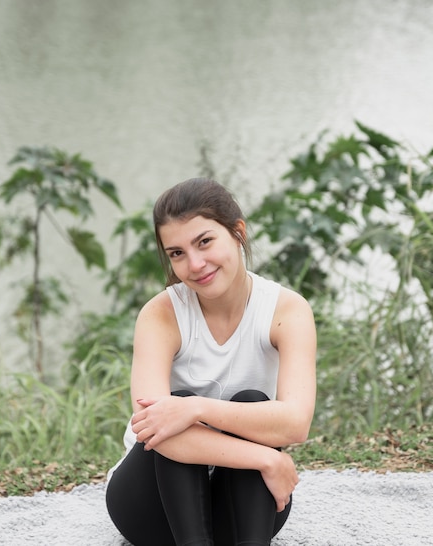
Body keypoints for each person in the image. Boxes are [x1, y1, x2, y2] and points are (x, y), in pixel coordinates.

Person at [106, 177, 317, 546]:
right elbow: (154, 430)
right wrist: (266, 459)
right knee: (174, 410)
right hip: (150, 505)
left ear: (238, 232)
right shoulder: (161, 315)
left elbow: (295, 424)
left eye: (204, 242)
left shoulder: (287, 310)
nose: (195, 264)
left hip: (243, 508)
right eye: (177, 253)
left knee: (248, 401)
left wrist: (196, 409)